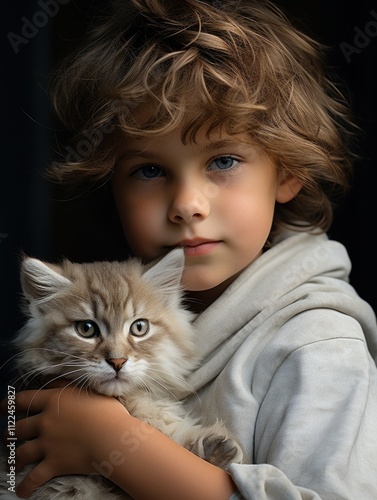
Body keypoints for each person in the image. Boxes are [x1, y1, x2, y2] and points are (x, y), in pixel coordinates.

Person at [4, 0, 377, 498]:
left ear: (289, 171)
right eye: (150, 170)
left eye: (222, 160)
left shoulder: (319, 345)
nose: (186, 204)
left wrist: (114, 444)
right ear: (111, 184)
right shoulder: (134, 303)